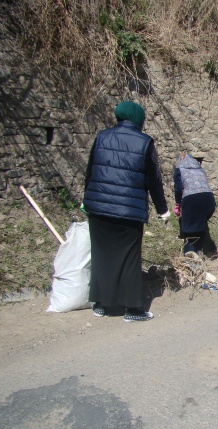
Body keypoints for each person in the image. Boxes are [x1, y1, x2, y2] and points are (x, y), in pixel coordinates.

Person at [83, 101, 169, 322]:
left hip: (99, 209)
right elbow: (154, 179)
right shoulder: (145, 142)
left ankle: (101, 304)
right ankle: (132, 309)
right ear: (138, 119)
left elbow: (91, 170)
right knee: (129, 260)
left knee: (102, 256)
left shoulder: (102, 137)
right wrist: (162, 209)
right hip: (129, 211)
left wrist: (87, 199)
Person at [173, 152, 216, 258]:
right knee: (200, 226)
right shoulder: (199, 168)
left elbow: (178, 188)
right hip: (209, 198)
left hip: (191, 199)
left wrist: (178, 203)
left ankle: (190, 257)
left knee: (190, 231)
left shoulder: (179, 169)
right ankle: (199, 251)